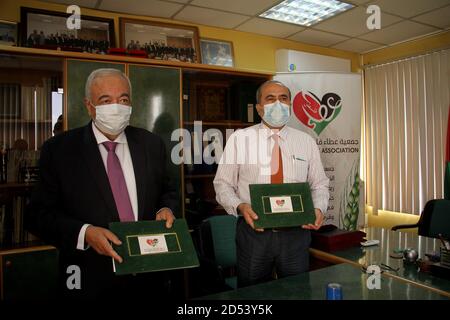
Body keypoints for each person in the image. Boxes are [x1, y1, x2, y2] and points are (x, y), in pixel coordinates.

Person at [27, 68, 177, 300]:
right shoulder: (59, 150)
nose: (116, 106)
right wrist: (84, 233)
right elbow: (38, 215)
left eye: (123, 99)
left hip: (149, 274)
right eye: (106, 100)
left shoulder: (151, 144)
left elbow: (167, 191)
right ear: (89, 106)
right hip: (89, 277)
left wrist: (165, 208)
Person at [213, 80, 329, 288]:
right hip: (254, 234)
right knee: (253, 296)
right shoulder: (240, 139)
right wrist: (240, 206)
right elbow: (222, 184)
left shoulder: (306, 141)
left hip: (296, 235)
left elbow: (319, 184)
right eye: (270, 98)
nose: (278, 103)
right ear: (259, 108)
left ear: (290, 105)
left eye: (283, 98)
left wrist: (319, 207)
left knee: (297, 292)